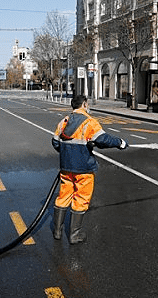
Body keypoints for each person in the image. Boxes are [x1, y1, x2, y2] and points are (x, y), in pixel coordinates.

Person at [51, 94, 127, 244]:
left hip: (66, 168)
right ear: (84, 104)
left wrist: (68, 154)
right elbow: (103, 140)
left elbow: (55, 142)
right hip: (84, 169)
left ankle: (57, 231)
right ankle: (74, 235)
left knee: (63, 196)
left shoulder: (64, 122)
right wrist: (120, 142)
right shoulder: (89, 122)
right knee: (81, 199)